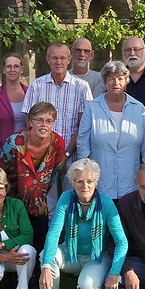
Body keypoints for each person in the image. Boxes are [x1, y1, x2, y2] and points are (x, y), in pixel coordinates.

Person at [33, 158, 128, 289]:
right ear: (72, 182)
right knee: (46, 256)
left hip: (97, 256)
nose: (85, 186)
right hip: (72, 254)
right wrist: (46, 266)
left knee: (88, 288)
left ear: (96, 181)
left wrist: (114, 273)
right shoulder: (65, 198)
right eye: (79, 181)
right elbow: (54, 233)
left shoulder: (106, 203)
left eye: (90, 181)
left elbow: (122, 242)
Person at [21, 42, 92, 218]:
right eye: (54, 57)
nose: (58, 61)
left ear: (69, 59)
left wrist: (66, 154)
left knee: (74, 205)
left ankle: (71, 244)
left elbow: (84, 127)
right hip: (44, 158)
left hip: (72, 157)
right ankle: (52, 244)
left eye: (62, 57)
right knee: (49, 208)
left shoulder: (82, 87)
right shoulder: (37, 86)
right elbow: (30, 123)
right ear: (47, 60)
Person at [77, 60, 145, 201]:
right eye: (111, 79)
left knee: (128, 221)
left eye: (120, 79)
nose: (116, 83)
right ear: (105, 82)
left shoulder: (138, 109)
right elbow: (83, 143)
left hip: (130, 183)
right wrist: (85, 174)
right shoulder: (92, 108)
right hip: (100, 183)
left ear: (126, 82)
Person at [0, 101, 66, 252]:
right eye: (39, 120)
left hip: (39, 201)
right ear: (30, 121)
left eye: (48, 121)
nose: (44, 125)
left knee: (39, 240)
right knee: (17, 243)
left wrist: (41, 191)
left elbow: (55, 171)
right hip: (14, 199)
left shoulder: (57, 142)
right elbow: (0, 172)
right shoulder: (14, 142)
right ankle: (15, 273)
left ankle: (38, 272)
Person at [0, 52, 28, 164]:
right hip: (1, 153)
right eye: (8, 66)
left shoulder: (31, 92)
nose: (12, 69)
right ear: (3, 70)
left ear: (22, 69)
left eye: (16, 66)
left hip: (26, 153)